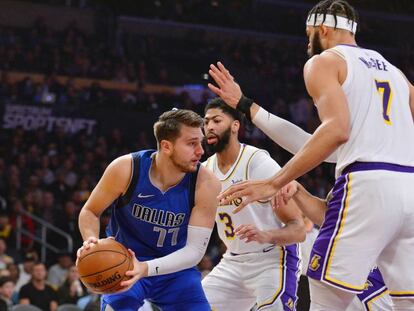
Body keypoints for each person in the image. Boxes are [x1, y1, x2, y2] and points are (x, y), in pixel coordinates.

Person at [207, 0, 414, 309]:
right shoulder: (397, 76)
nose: (307, 43)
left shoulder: (324, 62)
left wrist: (274, 182)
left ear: (323, 29)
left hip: (368, 184)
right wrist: (246, 105)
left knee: (325, 291)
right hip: (409, 187)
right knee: (406, 301)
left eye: (308, 34)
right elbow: (317, 141)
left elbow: (335, 131)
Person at [77, 109, 221, 311]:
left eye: (201, 142)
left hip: (176, 268)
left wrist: (145, 269)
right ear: (166, 146)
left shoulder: (206, 183)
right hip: (125, 262)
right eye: (191, 144)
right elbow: (90, 211)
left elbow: (195, 251)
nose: (201, 151)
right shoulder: (126, 168)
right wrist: (90, 240)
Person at [202, 98, 305, 310]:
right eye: (206, 122)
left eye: (217, 120)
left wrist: (265, 235)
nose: (209, 126)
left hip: (273, 258)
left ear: (235, 126)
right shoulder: (205, 171)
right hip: (233, 262)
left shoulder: (258, 162)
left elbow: (299, 229)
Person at [272, 182, 393, 310]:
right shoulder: (348, 180)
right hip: (346, 273)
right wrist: (298, 191)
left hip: (384, 273)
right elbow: (329, 216)